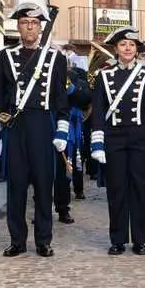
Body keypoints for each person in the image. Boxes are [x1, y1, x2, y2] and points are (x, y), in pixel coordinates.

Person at [0, 2, 69, 258]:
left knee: (44, 184)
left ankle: (43, 240)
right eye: (25, 23)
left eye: (34, 23)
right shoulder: (5, 56)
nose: (30, 27)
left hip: (42, 124)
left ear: (40, 27)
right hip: (16, 125)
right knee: (15, 185)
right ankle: (17, 240)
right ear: (18, 26)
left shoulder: (55, 58)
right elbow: (0, 95)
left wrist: (61, 130)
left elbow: (60, 97)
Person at [91, 27, 145, 256]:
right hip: (114, 138)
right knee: (116, 190)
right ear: (116, 49)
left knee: (141, 190)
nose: (128, 48)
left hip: (140, 138)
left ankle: (139, 240)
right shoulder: (104, 76)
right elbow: (99, 111)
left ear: (137, 49)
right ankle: (118, 239)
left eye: (132, 45)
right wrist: (97, 142)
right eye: (123, 45)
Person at [53, 61, 92, 224]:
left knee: (65, 168)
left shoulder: (77, 78)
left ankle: (63, 209)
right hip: (47, 124)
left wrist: (71, 88)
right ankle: (43, 208)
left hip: (67, 127)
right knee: (43, 172)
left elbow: (86, 98)